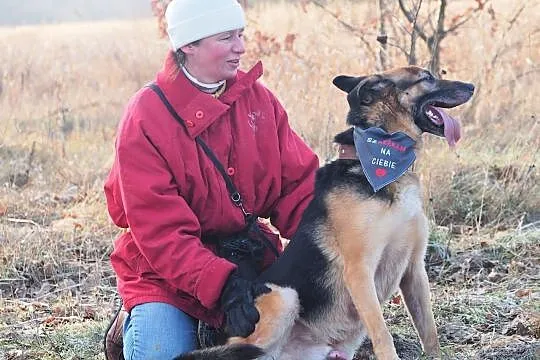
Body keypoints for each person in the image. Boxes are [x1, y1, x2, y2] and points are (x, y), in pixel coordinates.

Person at [103, 0, 319, 359]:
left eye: (241, 34)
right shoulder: (144, 117)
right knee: (160, 351)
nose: (241, 47)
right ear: (189, 45)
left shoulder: (259, 102)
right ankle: (135, 318)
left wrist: (330, 248)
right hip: (165, 276)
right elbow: (160, 233)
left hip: (249, 262)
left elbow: (299, 188)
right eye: (226, 37)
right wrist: (223, 285)